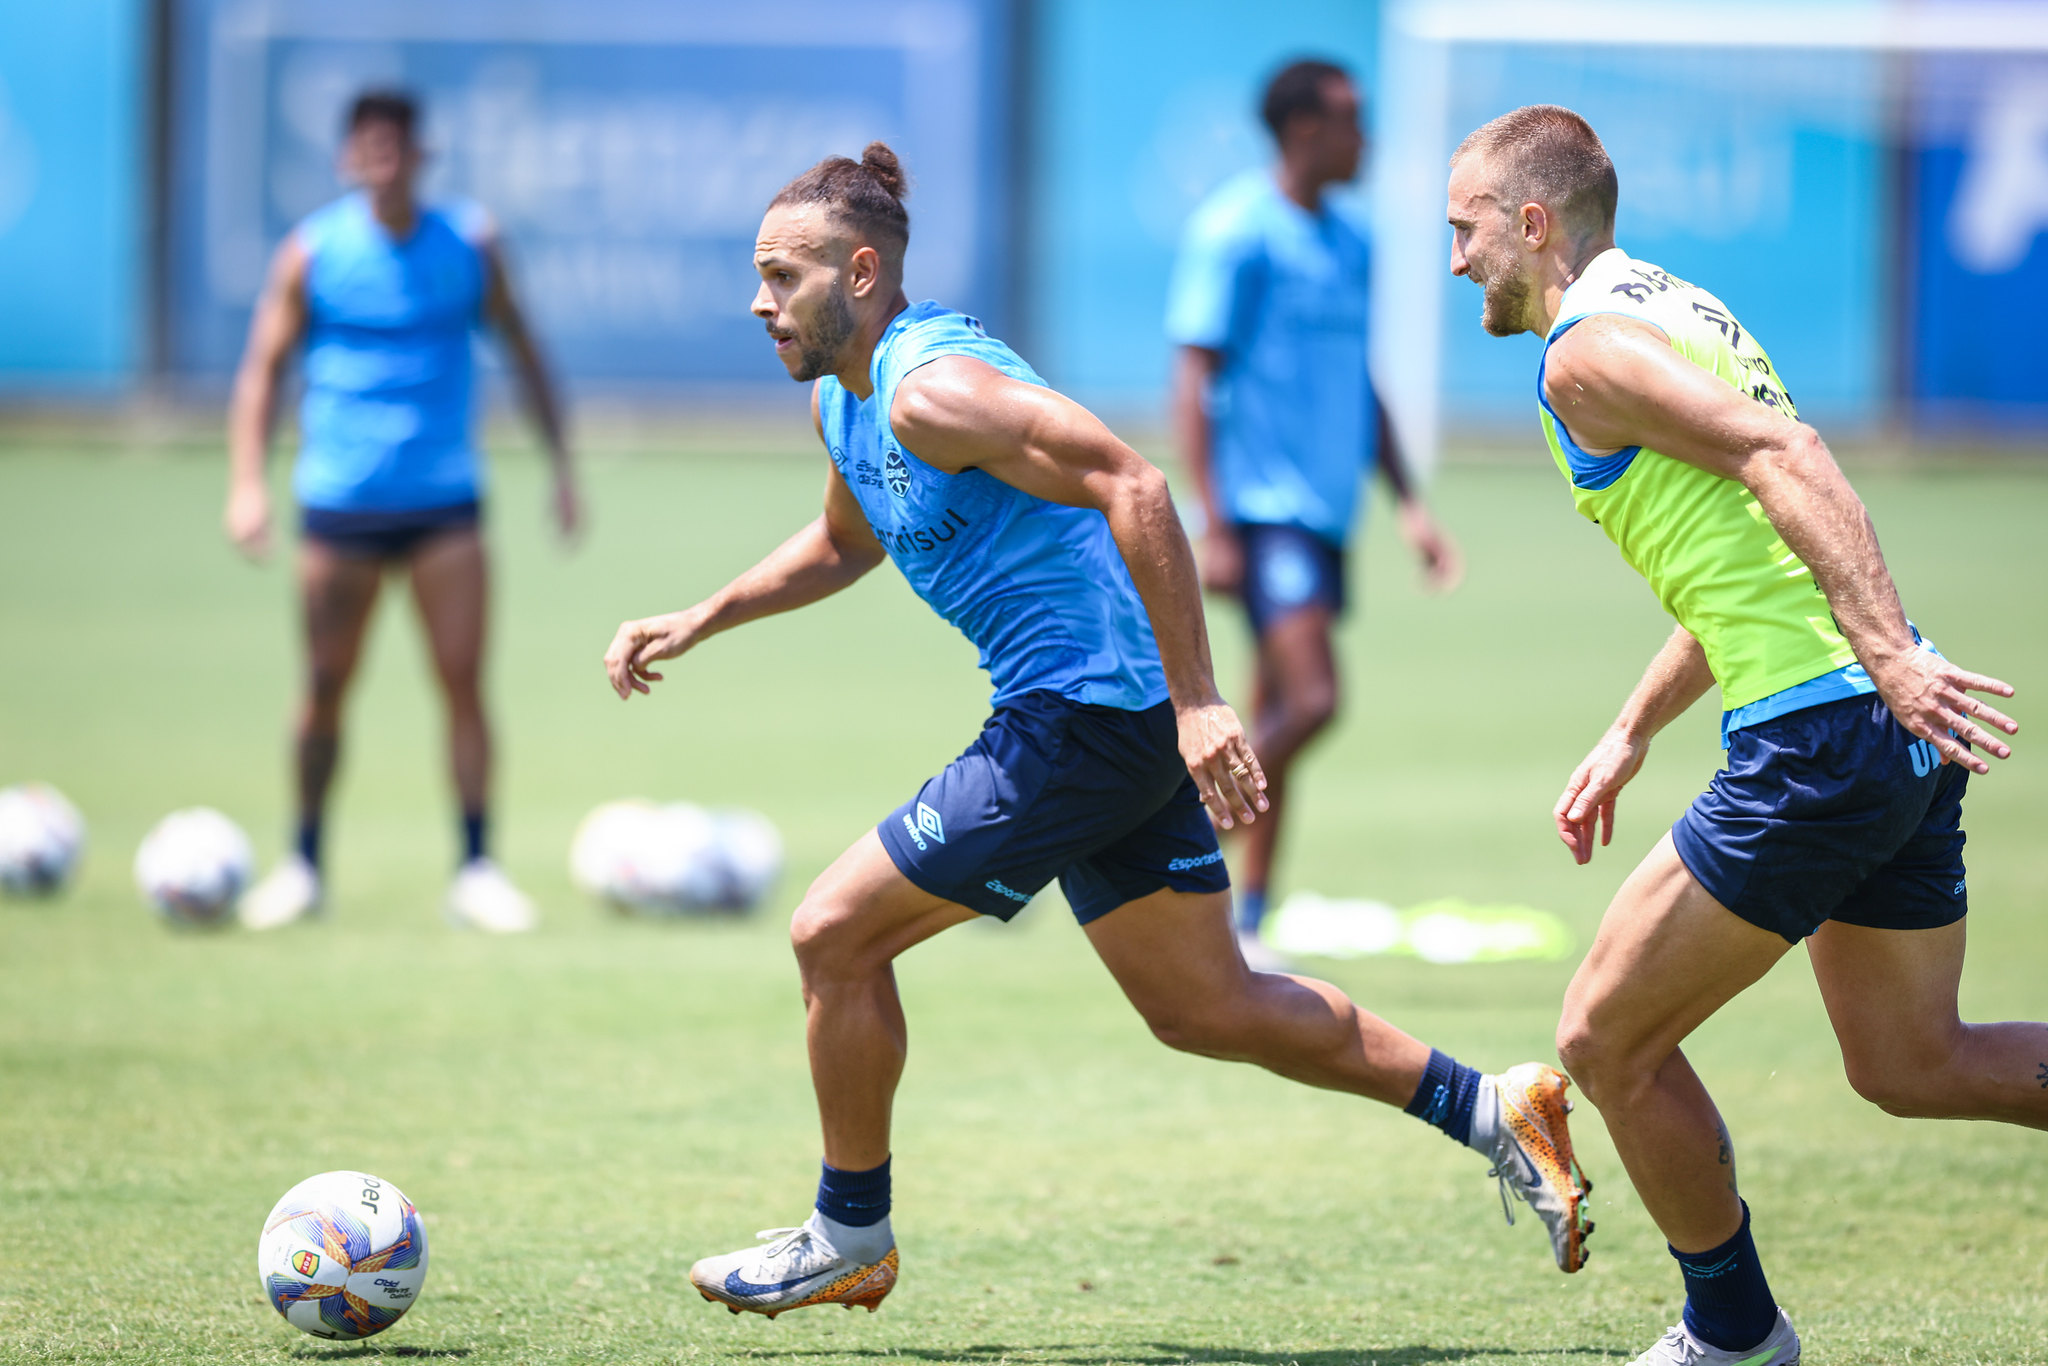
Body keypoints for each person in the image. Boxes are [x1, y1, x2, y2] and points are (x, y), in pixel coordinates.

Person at [604, 142, 1593, 1321]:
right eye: (756, 277)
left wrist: (1198, 701)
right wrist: (699, 616)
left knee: (833, 937)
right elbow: (844, 542)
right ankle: (1492, 1107)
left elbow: (1135, 483)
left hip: (1081, 720)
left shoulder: (931, 389)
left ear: (860, 273)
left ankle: (847, 1231)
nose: (759, 302)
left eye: (782, 275)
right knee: (1205, 1007)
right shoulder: (845, 400)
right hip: (1099, 724)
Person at [1446, 104, 2039, 1366]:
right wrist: (1629, 729)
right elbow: (1751, 562)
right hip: (1876, 726)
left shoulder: (1580, 356)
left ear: (1531, 224)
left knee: (1605, 1037)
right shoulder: (1674, 306)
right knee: (1911, 1058)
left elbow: (1789, 452)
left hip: (1822, 735)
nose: (1456, 262)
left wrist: (1880, 654)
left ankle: (1730, 1334)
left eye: (1466, 229)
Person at [225, 89, 579, 932]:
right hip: (339, 502)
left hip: (444, 504)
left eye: (397, 144)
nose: (381, 158)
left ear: (420, 155)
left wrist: (561, 466)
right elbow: (261, 371)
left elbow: (524, 348)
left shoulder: (470, 244)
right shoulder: (312, 254)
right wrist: (246, 482)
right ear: (349, 158)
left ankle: (477, 867)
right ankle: (304, 863)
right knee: (322, 687)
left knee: (461, 685)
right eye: (367, 145)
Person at [1168, 59, 1461, 964]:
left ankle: (1245, 920)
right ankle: (1166, 851)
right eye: (1349, 121)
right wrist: (1215, 523)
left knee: (1269, 714)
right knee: (1313, 700)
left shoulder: (1352, 241)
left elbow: (1357, 382)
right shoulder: (1235, 232)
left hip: (1327, 517)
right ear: (1302, 130)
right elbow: (1193, 379)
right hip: (1263, 515)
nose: (1364, 139)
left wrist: (1409, 503)